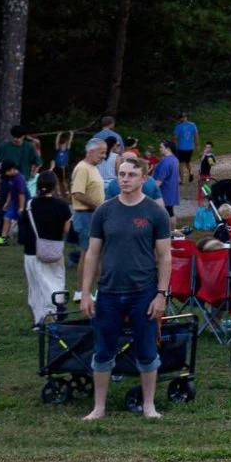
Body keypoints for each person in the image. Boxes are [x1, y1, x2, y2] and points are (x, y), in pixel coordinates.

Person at [75, 155, 173, 422]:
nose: (125, 179)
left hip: (144, 291)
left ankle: (149, 405)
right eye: (121, 174)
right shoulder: (104, 211)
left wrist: (161, 294)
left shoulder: (155, 212)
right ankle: (99, 408)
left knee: (147, 350)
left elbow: (165, 256)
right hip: (108, 292)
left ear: (144, 178)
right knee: (103, 350)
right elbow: (93, 254)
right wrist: (85, 292)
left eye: (131, 175)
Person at [16, 172, 73, 328]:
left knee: (35, 286)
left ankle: (39, 319)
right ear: (55, 185)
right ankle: (55, 310)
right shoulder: (62, 206)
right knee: (55, 281)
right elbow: (66, 229)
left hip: (32, 250)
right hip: (53, 249)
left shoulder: (30, 205)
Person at [65, 138, 107, 258]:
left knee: (94, 253)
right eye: (102, 152)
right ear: (90, 151)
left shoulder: (93, 167)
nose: (104, 156)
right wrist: (99, 207)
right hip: (85, 216)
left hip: (92, 215)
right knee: (88, 253)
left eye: (105, 152)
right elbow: (77, 194)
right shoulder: (83, 168)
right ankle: (85, 272)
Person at [151, 139, 183, 217]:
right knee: (170, 213)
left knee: (164, 214)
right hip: (170, 191)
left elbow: (159, 181)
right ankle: (173, 225)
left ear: (168, 148)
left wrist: (149, 191)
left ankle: (169, 225)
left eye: (161, 147)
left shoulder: (166, 162)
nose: (160, 149)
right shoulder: (175, 159)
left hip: (163, 193)